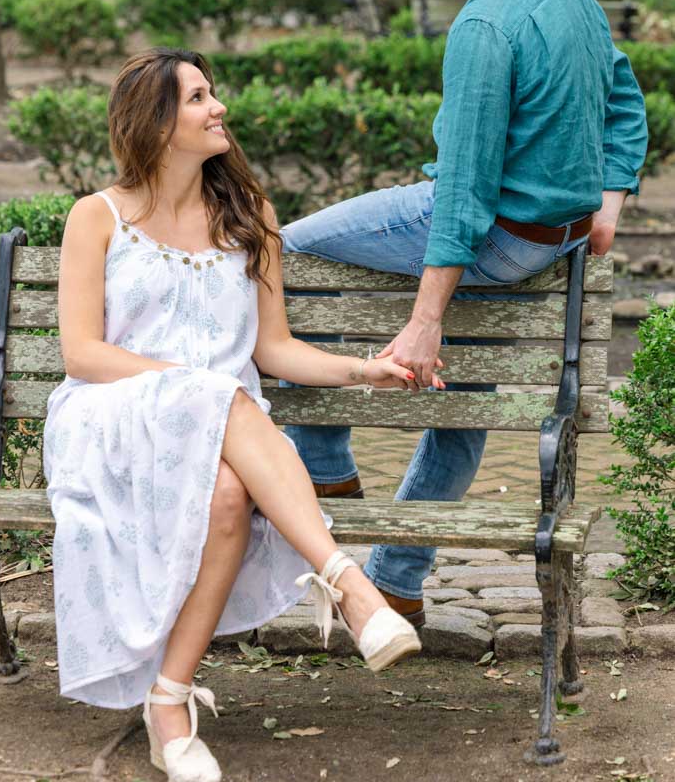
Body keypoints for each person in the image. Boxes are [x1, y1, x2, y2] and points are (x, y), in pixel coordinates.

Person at [281, 0, 648, 624]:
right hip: (551, 241)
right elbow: (625, 93)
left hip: (498, 236)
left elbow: (463, 200)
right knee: (464, 406)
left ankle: (328, 464)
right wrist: (610, 201)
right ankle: (396, 586)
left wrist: (423, 322)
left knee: (282, 253)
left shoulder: (485, 27)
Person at [46, 48, 429, 782]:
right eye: (196, 98)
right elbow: (81, 353)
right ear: (153, 123)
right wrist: (187, 383)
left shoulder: (249, 216)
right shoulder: (95, 218)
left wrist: (363, 370)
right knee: (219, 392)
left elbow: (275, 348)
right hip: (115, 418)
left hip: (224, 430)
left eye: (211, 93)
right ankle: (348, 588)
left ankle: (169, 703)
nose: (217, 107)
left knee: (228, 491)